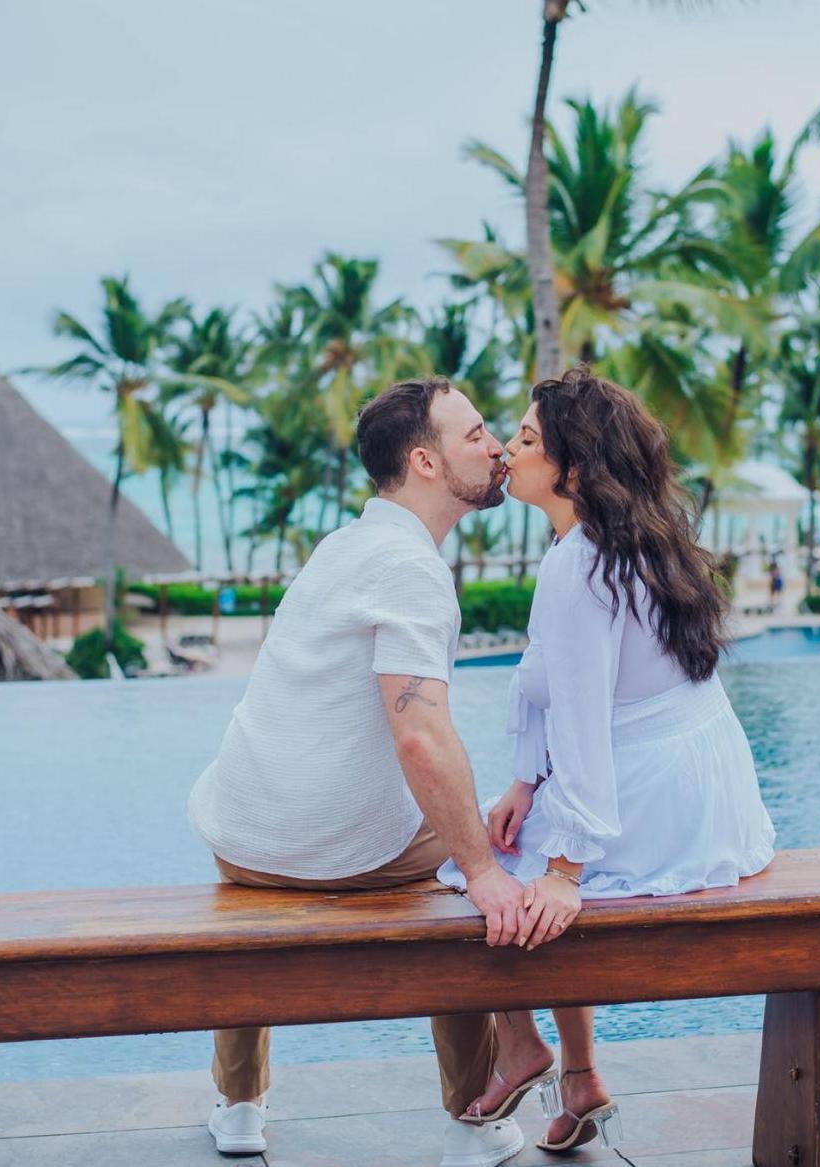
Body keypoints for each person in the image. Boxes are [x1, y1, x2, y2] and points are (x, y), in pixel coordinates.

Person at [188, 376, 534, 1167]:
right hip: (342, 853)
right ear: (424, 461)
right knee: (471, 853)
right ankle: (474, 1117)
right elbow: (420, 734)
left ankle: (239, 1106)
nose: (495, 447)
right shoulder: (411, 569)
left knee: (304, 832)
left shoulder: (341, 548)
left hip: (240, 842)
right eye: (475, 434)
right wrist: (482, 868)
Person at [438, 366, 776, 1153]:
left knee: (475, 872)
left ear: (575, 469)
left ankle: (523, 1046)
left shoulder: (578, 564)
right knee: (507, 846)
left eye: (526, 439)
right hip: (705, 789)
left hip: (646, 792)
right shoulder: (630, 539)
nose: (506, 450)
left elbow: (584, 720)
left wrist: (566, 868)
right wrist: (525, 781)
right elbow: (550, 680)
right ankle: (581, 1075)